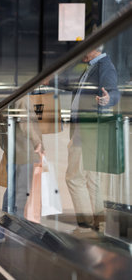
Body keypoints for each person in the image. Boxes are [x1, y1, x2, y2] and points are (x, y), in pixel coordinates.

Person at [48, 45, 119, 231]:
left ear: (93, 49)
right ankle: (99, 223)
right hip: (86, 128)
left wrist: (108, 99)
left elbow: (113, 91)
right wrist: (51, 81)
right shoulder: (92, 67)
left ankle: (86, 224)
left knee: (74, 177)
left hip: (88, 129)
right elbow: (76, 87)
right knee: (91, 177)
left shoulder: (105, 66)